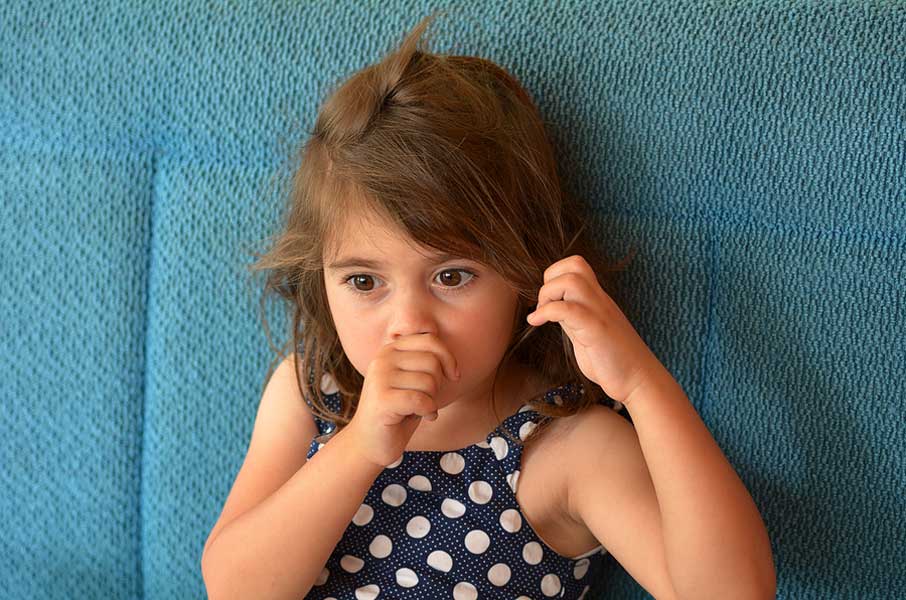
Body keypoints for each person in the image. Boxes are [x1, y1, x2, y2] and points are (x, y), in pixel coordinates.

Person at [201, 11, 776, 600]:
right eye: (364, 281)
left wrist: (642, 385)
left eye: (451, 276)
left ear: (525, 274)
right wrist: (356, 451)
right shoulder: (311, 396)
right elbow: (234, 589)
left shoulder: (564, 450)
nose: (409, 325)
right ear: (320, 278)